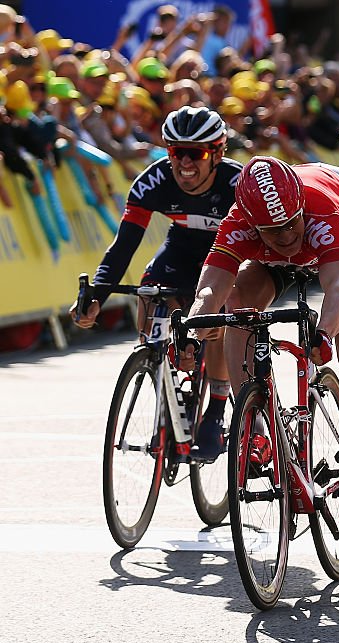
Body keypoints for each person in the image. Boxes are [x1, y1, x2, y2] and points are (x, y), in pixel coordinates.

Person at [182, 156, 339, 534]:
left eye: (291, 224)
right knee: (238, 305)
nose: (287, 235)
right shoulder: (239, 221)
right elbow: (210, 288)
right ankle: (254, 418)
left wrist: (324, 333)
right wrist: (195, 326)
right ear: (252, 222)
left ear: (299, 208)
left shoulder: (321, 208)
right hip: (271, 261)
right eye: (273, 230)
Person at [70, 106, 239, 461]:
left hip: (225, 255)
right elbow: (124, 246)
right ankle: (167, 382)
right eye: (177, 152)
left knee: (215, 319)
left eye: (196, 153)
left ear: (218, 154)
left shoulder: (237, 185)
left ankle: (217, 408)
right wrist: (97, 295)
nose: (185, 163)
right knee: (148, 300)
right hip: (180, 249)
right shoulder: (153, 181)